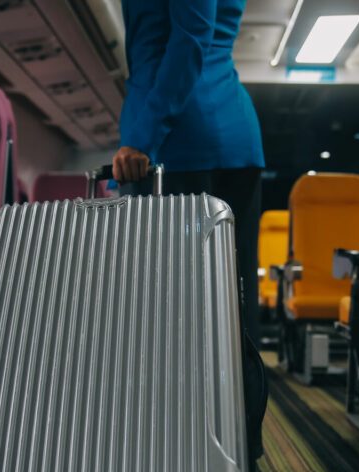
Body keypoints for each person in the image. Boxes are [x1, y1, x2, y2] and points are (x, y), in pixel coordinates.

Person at [113, 0, 265, 345]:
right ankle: (240, 399)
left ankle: (185, 399)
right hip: (215, 133)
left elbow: (190, 39)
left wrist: (142, 139)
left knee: (168, 309)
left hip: (181, 140)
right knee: (229, 305)